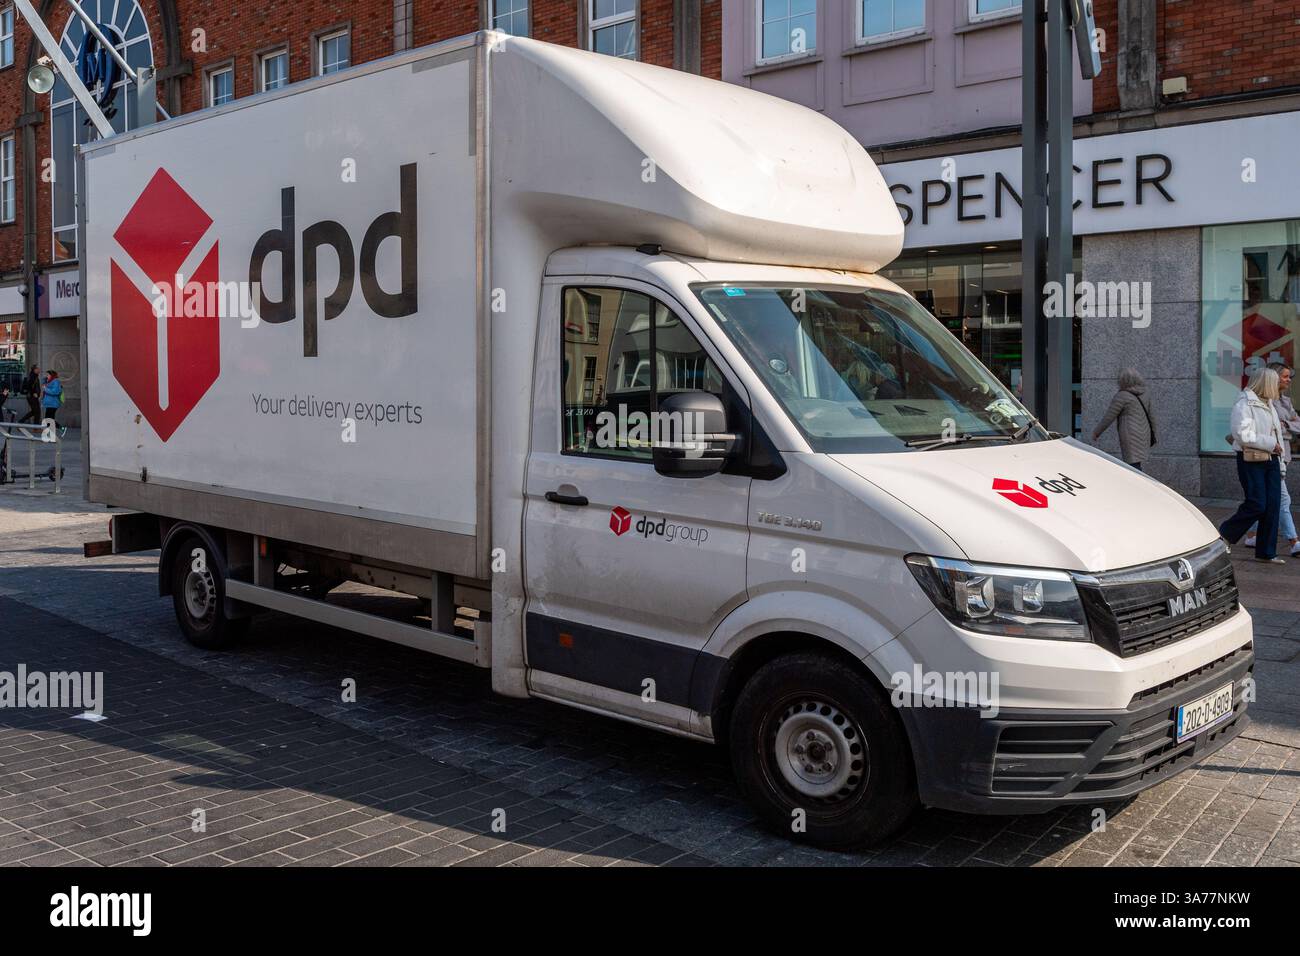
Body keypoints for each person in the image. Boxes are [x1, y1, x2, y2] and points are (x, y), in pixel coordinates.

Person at [1219, 367, 1286, 563]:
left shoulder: (1269, 404)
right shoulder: (1245, 403)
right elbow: (1242, 434)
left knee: (1272, 506)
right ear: (1266, 383)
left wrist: (1281, 463)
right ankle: (1225, 535)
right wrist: (1271, 444)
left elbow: (1277, 436)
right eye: (1274, 382)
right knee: (1257, 503)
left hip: (1271, 460)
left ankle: (1267, 552)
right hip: (1251, 460)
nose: (1279, 385)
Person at [1242, 361, 1300, 555]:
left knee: (1264, 501)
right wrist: (1286, 426)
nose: (1289, 380)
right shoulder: (1256, 402)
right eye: (1285, 376)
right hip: (1268, 455)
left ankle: (1250, 536)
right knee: (1282, 499)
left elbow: (1296, 425)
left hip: (1282, 455)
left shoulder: (1283, 401)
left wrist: (1287, 425)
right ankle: (1294, 542)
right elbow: (1257, 432)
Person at [1091, 368, 1156, 470]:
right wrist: (1154, 433)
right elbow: (1151, 416)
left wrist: (1096, 432)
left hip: (1130, 434)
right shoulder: (1145, 394)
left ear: (1123, 381)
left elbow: (1109, 417)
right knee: (1136, 462)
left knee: (1132, 463)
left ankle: (1135, 483)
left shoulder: (1122, 396)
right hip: (1144, 433)